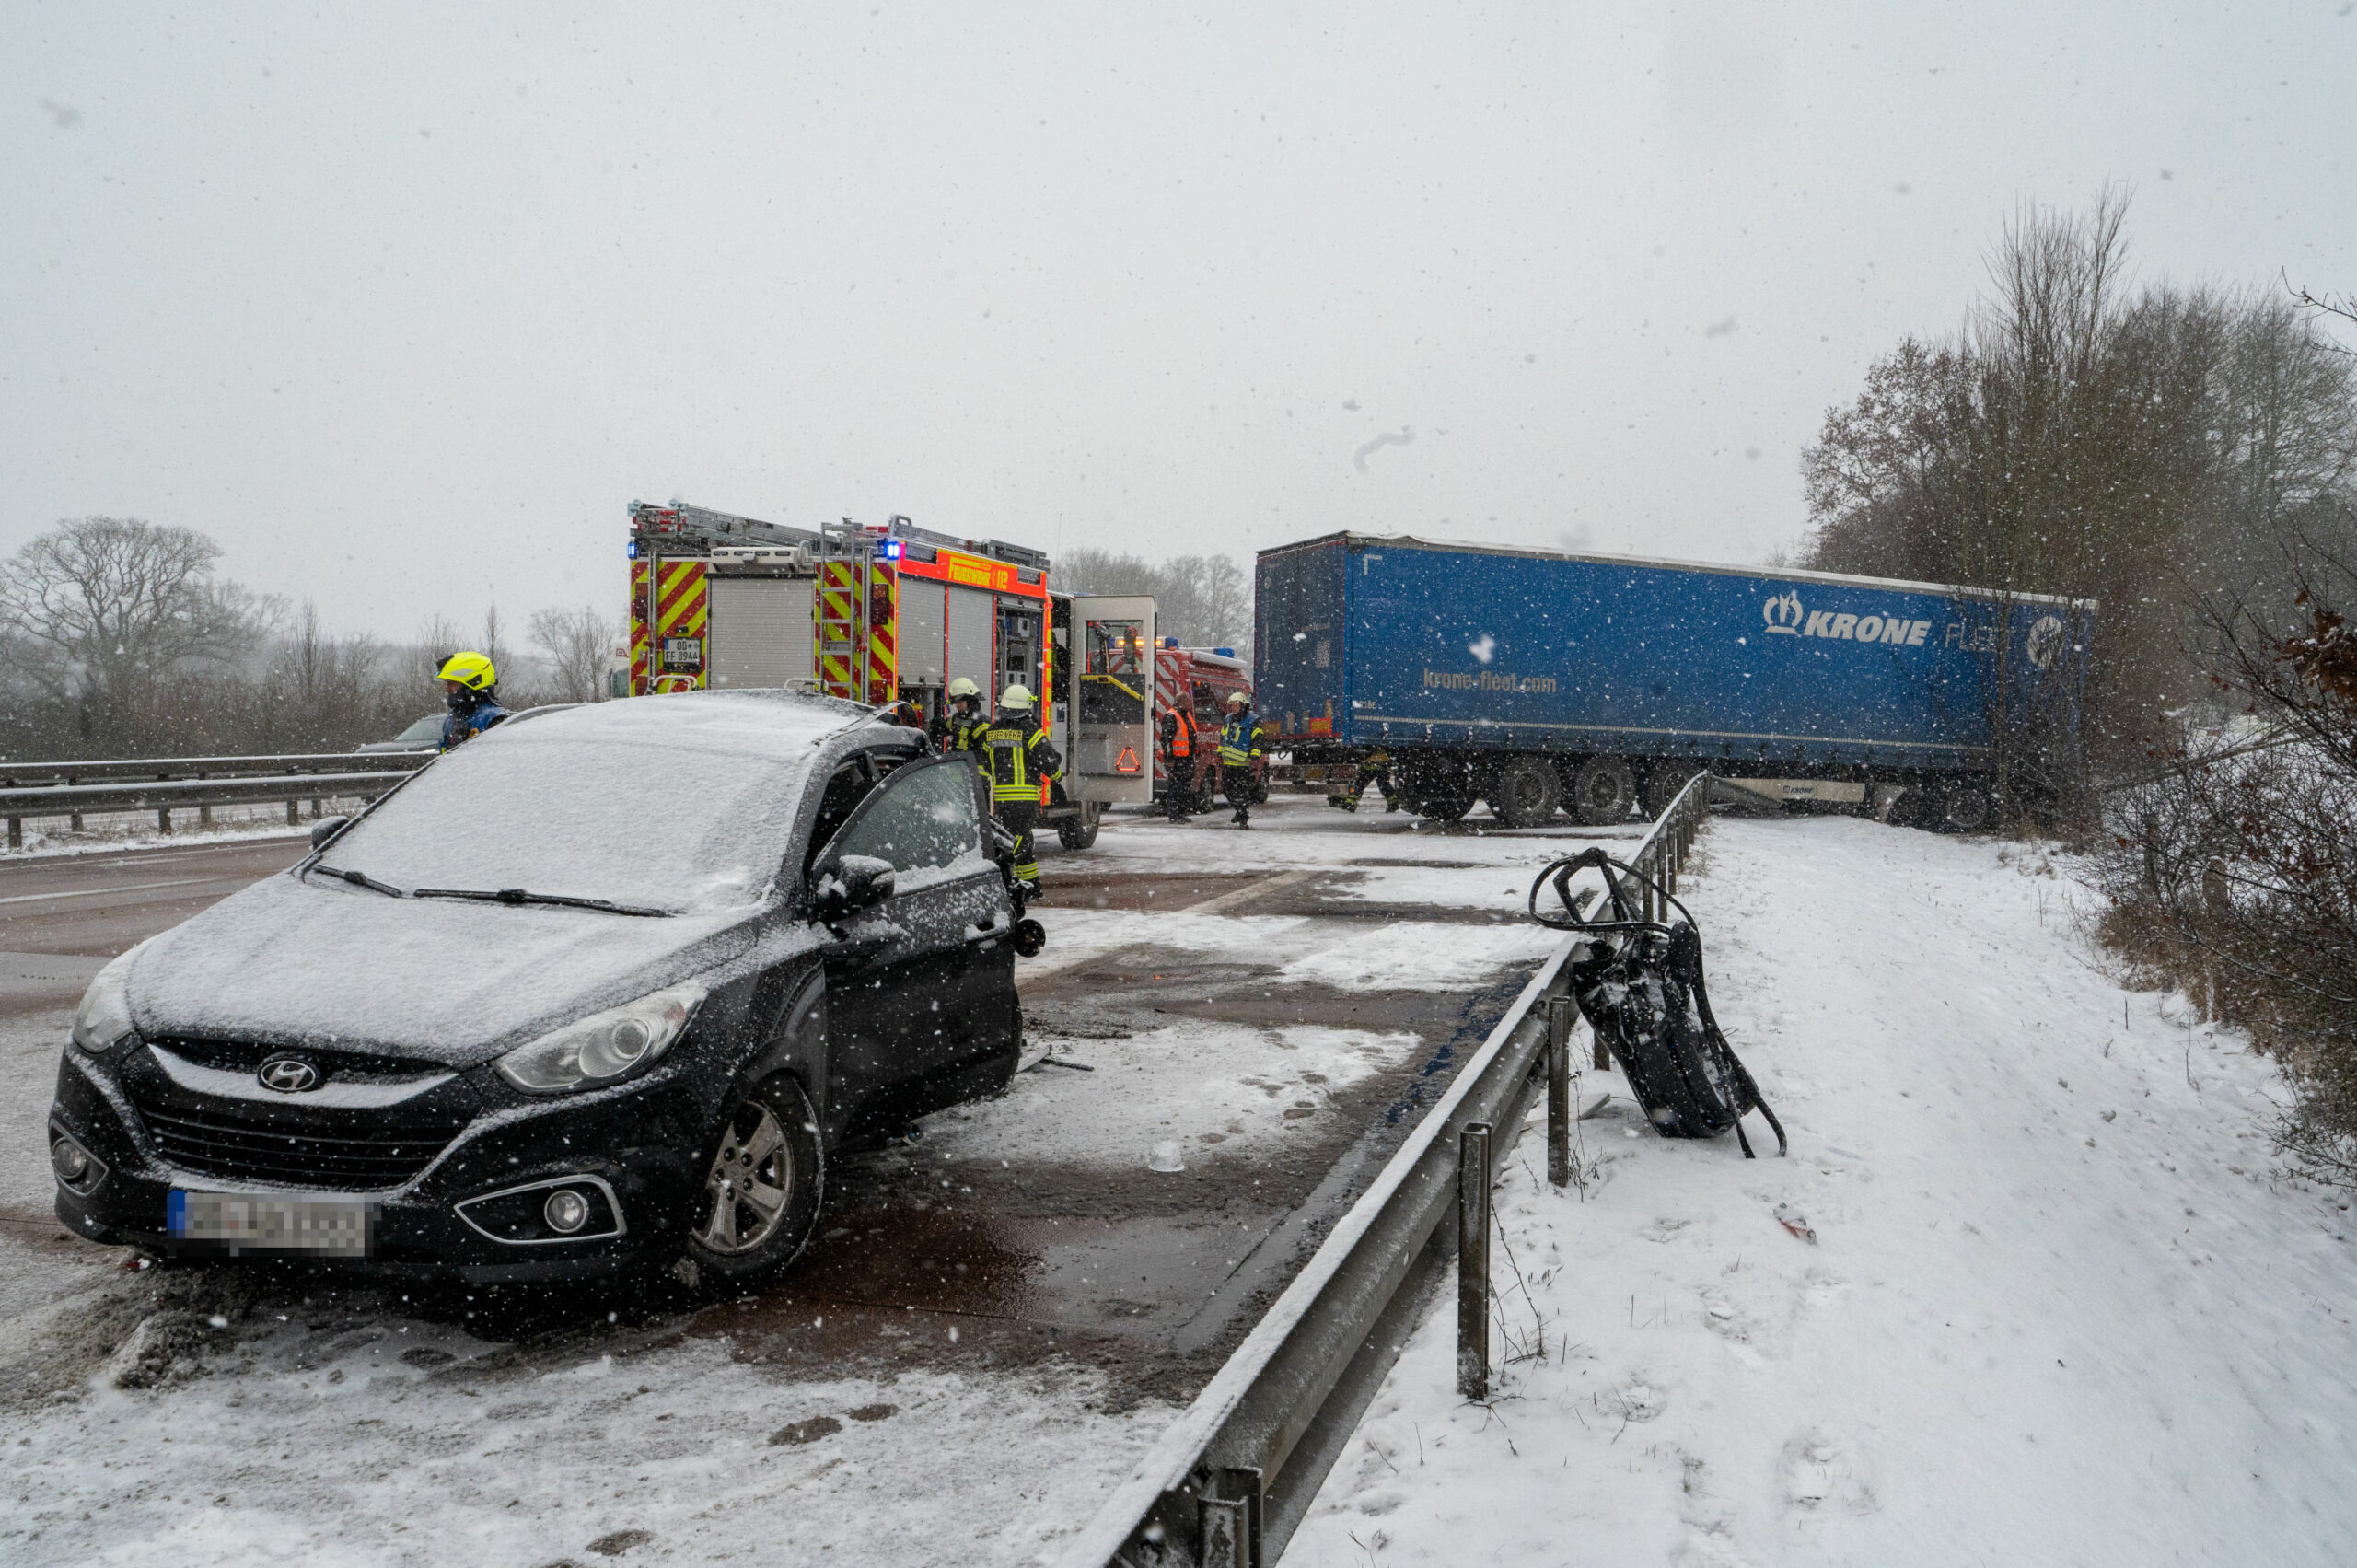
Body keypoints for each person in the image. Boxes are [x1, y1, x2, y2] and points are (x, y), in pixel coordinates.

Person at [978, 683, 1062, 891]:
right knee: (1022, 841)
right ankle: (1026, 886)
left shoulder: (992, 731)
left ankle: (1021, 883)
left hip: (1001, 799)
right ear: (1025, 707)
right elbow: (1048, 760)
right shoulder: (1030, 731)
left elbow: (985, 764)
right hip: (1024, 798)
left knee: (1013, 838)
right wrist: (1057, 776)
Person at [436, 652, 510, 749]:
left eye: (451, 683)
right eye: (446, 683)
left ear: (471, 684)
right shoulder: (452, 717)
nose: (447, 689)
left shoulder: (494, 719)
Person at [1218, 690, 1267, 829]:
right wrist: (1219, 753)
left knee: (1242, 792)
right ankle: (1240, 812)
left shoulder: (1253, 721)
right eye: (1231, 705)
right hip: (1228, 762)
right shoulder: (1228, 718)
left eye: (1235, 704)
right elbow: (1223, 737)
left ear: (1243, 706)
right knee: (1226, 789)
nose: (1232, 707)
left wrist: (1255, 755)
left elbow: (1258, 739)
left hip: (1242, 763)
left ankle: (1243, 817)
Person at [1158, 697, 1200, 822]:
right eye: (1187, 702)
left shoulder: (1185, 716)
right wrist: (1169, 759)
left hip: (1187, 758)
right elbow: (1166, 740)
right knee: (1177, 787)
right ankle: (1174, 814)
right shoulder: (1172, 716)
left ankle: (1181, 813)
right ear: (1181, 702)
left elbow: (1190, 736)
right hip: (1177, 760)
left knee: (1185, 787)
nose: (1190, 705)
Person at [1328, 749, 1401, 813]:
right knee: (1381, 785)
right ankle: (1393, 803)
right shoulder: (1376, 738)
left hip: (1372, 764)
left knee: (1362, 784)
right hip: (1378, 764)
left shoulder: (1365, 739)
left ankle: (1351, 804)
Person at [935, 676, 987, 754]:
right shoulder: (957, 718)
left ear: (970, 702)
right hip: (959, 764)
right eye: (956, 703)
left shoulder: (981, 722)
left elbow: (983, 753)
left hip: (971, 765)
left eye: (960, 702)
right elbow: (940, 729)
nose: (957, 706)